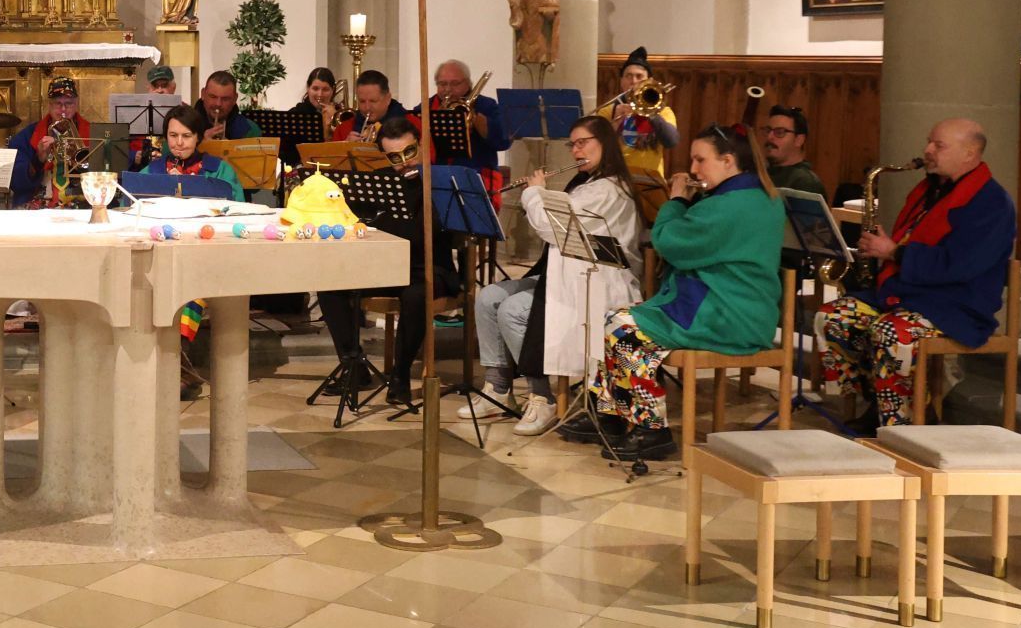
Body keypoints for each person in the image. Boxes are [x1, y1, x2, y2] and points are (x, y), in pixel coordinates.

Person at [563, 125, 786, 461]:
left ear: (728, 161)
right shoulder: (754, 195)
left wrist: (677, 199)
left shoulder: (730, 205)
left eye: (700, 160)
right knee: (617, 318)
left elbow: (669, 242)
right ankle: (610, 416)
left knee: (623, 327)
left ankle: (651, 430)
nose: (693, 169)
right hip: (731, 305)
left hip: (728, 314)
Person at [817, 118, 1016, 430]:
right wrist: (883, 249)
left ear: (969, 153)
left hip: (956, 305)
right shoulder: (929, 190)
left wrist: (894, 253)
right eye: (929, 142)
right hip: (909, 294)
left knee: (890, 331)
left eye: (939, 145)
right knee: (834, 317)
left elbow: (960, 265)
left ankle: (902, 425)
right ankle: (880, 403)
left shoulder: (992, 203)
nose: (928, 150)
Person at [472, 116, 643, 436]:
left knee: (512, 310)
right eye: (572, 144)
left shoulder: (609, 188)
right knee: (489, 297)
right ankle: (498, 387)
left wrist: (535, 193)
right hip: (567, 272)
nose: (576, 151)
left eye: (583, 143)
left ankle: (542, 396)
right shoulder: (586, 183)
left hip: (597, 281)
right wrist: (540, 194)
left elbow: (553, 227)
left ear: (605, 143)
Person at [317, 118, 461, 404]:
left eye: (409, 153)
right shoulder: (379, 182)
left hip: (429, 269)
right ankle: (354, 365)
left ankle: (400, 374)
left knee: (416, 296)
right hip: (386, 268)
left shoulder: (441, 183)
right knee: (329, 286)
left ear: (420, 146)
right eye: (395, 158)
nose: (404, 163)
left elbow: (446, 233)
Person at [145, 104, 242, 401]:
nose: (178, 143)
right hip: (161, 254)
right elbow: (132, 210)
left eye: (186, 136)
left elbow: (239, 209)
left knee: (187, 291)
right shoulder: (152, 172)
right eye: (172, 135)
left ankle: (179, 369)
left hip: (206, 254)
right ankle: (171, 369)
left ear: (198, 137)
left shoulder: (218, 170)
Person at [426, 60, 510, 190]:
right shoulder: (427, 107)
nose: (448, 89)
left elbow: (503, 142)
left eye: (455, 83)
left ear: (468, 83)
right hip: (438, 178)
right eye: (442, 84)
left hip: (478, 178)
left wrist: (476, 119)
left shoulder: (487, 105)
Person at [8, 75, 89, 208]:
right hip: (39, 203)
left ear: (76, 105)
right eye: (58, 103)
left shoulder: (93, 133)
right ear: (49, 105)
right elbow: (16, 184)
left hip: (81, 202)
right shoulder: (25, 137)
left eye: (68, 103)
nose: (63, 109)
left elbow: (104, 176)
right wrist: (38, 159)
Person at [609, 46, 678, 183]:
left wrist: (650, 111)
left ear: (649, 81)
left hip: (650, 181)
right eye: (628, 76)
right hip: (616, 180)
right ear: (621, 81)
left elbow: (671, 141)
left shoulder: (664, 111)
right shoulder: (608, 111)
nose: (633, 81)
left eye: (639, 76)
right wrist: (615, 122)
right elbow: (599, 147)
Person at [761, 104, 827, 200]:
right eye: (768, 131)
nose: (769, 137)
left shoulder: (805, 183)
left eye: (779, 132)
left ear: (799, 140)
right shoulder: (762, 175)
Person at [332, 70, 406, 143]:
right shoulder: (343, 129)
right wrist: (345, 147)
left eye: (373, 101)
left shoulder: (410, 123)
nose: (367, 107)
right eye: (362, 101)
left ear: (388, 99)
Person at [197, 71, 261, 141]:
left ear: (235, 99)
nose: (218, 104)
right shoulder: (187, 125)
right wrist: (203, 145)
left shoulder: (250, 129)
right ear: (203, 94)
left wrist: (229, 147)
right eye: (213, 97)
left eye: (225, 99)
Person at [290, 66, 341, 148]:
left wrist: (335, 121)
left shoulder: (341, 115)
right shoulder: (294, 114)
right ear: (308, 88)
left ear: (333, 90)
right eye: (315, 89)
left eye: (325, 89)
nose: (320, 94)